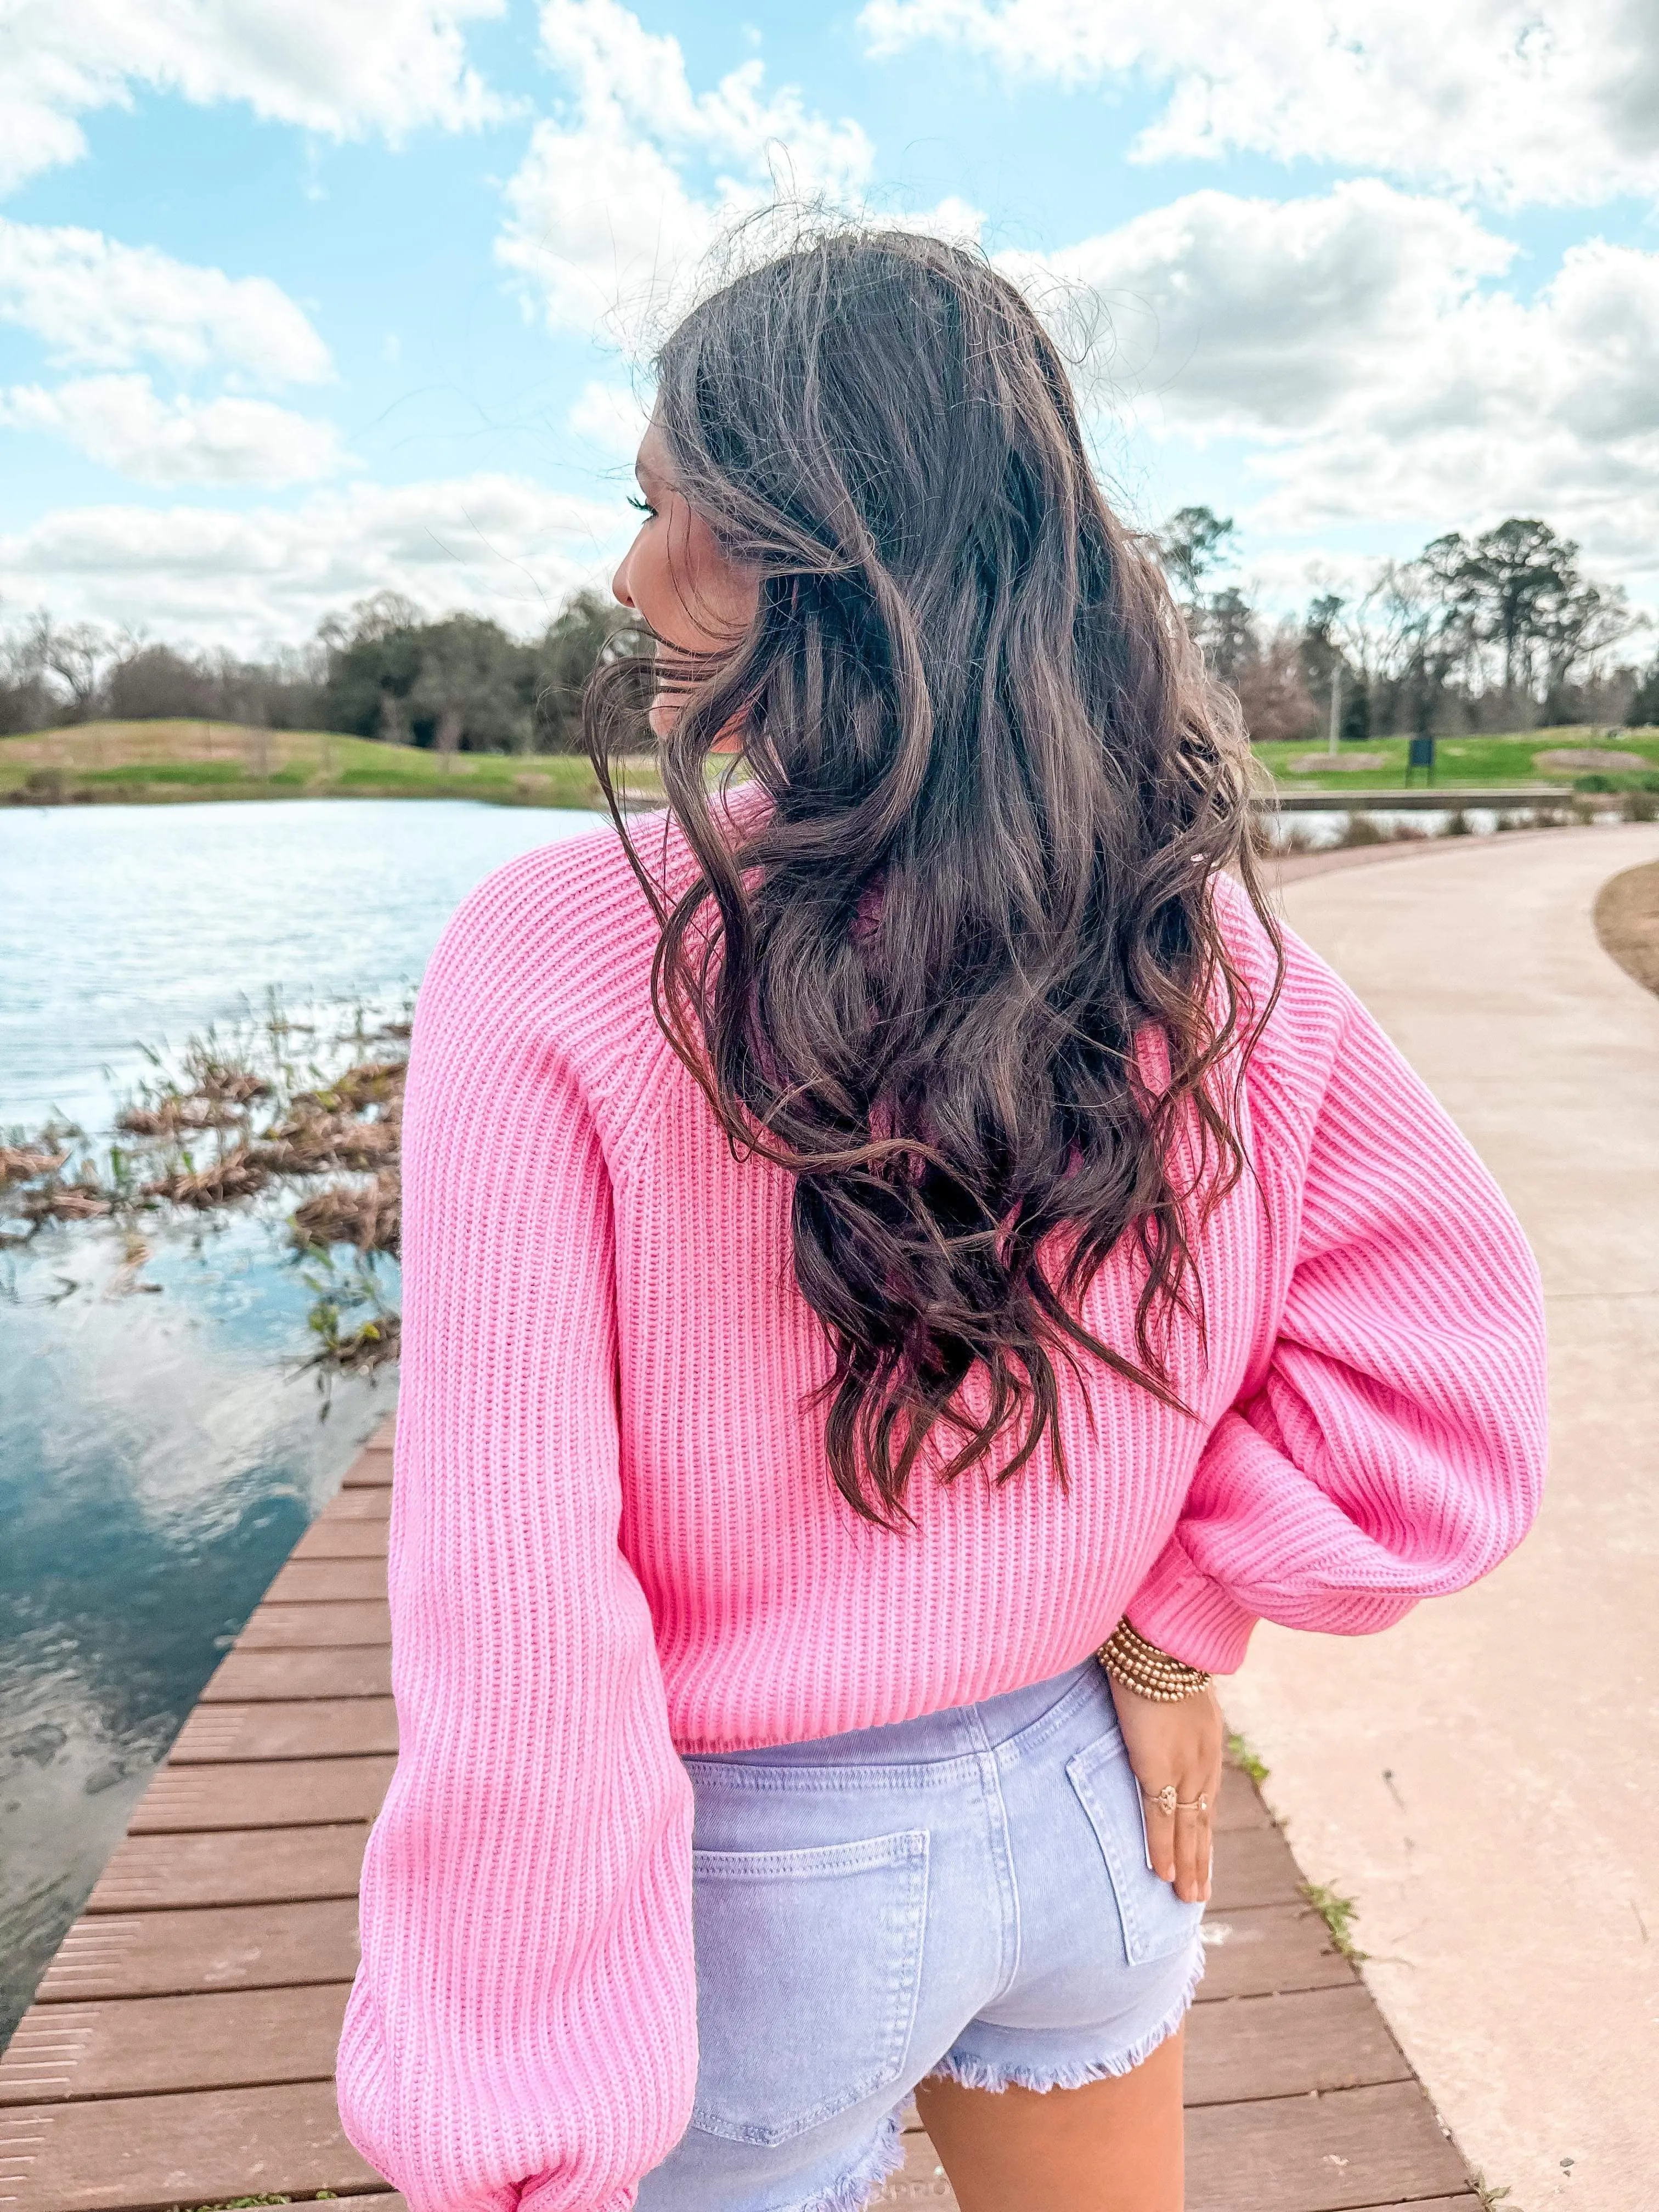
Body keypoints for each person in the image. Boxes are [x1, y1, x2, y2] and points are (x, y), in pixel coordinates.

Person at [335, 230, 1547, 2212]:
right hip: (1087, 1813)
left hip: (735, 1900)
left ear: (816, 549)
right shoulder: (1190, 936)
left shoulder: (557, 955)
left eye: (665, 513)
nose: (628, 573)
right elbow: (1447, 1397)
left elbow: (515, 1603)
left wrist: (515, 2107)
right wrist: (1176, 1632)